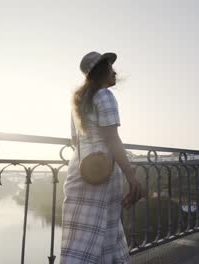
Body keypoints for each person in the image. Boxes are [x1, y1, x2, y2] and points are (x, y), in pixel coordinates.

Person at [60, 51, 144, 264]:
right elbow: (112, 138)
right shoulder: (104, 96)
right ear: (101, 71)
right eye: (110, 67)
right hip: (104, 171)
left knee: (80, 236)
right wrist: (131, 176)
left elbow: (75, 141)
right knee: (106, 230)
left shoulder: (78, 102)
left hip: (81, 170)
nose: (114, 71)